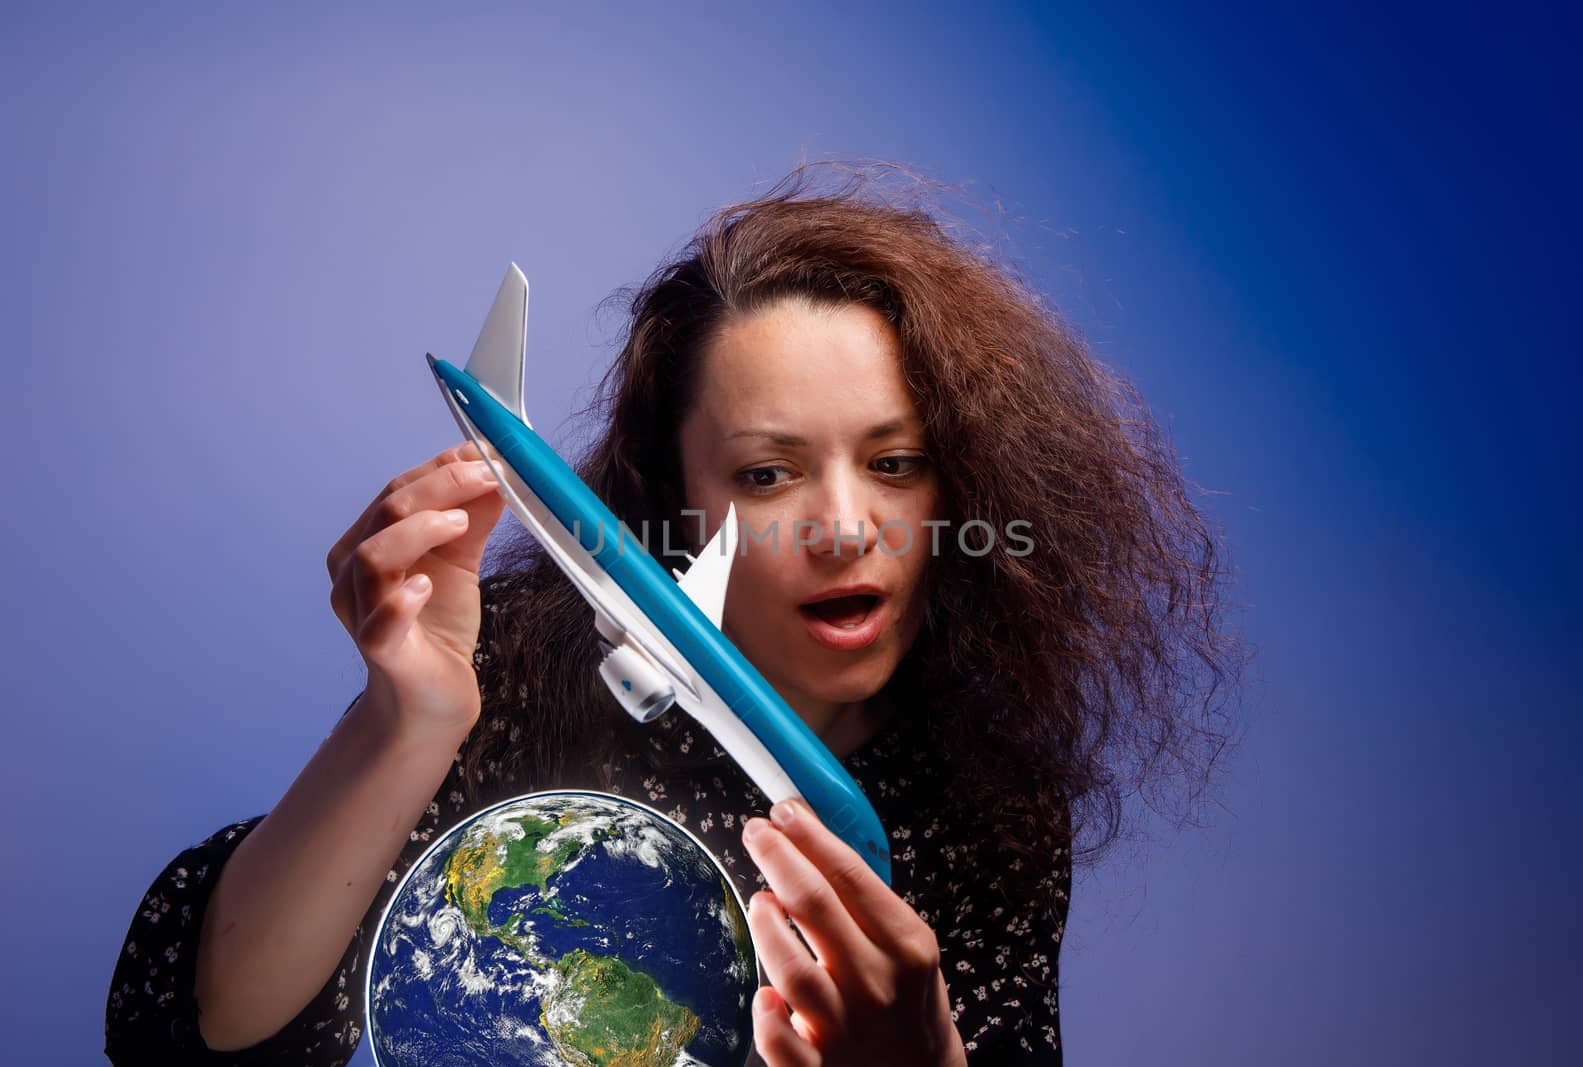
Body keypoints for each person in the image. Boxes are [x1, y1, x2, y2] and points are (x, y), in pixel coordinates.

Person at [105, 161, 1245, 1066]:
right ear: (676, 495)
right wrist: (405, 719)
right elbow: (195, 1038)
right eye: (765, 473)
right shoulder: (515, 675)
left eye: (896, 462)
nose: (844, 526)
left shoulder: (994, 805)